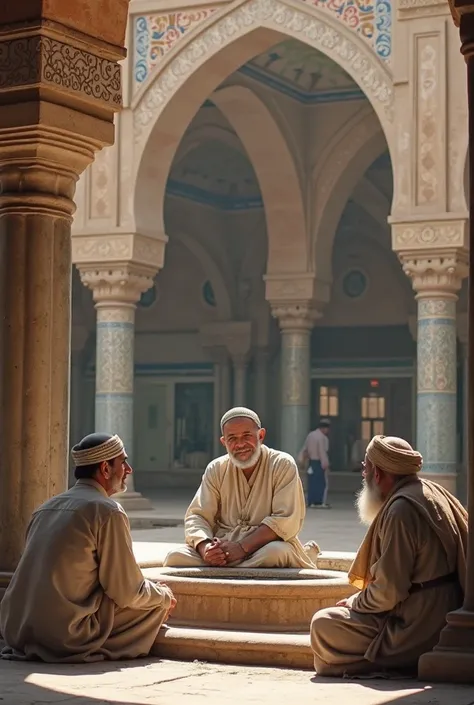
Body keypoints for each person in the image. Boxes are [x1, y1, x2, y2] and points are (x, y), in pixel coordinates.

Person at [0, 433, 176, 663]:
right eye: (123, 462)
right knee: (153, 606)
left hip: (17, 630)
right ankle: (88, 647)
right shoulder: (107, 510)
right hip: (65, 635)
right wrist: (163, 596)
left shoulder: (45, 506)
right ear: (105, 469)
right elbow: (126, 591)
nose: (129, 469)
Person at [310, 435, 468, 677]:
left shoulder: (400, 510)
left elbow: (389, 591)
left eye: (366, 467)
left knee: (324, 624)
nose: (363, 474)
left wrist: (356, 601)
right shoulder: (431, 491)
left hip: (416, 622)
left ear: (378, 474)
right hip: (443, 610)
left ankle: (394, 662)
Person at [164, 407, 319, 569]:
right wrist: (206, 548)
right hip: (224, 547)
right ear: (224, 442)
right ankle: (232, 566)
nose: (240, 444)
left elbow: (284, 519)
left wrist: (242, 548)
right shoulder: (217, 468)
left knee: (274, 553)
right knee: (176, 557)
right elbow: (197, 516)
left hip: (264, 546)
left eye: (247, 436)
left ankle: (302, 555)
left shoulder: (282, 464)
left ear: (260, 436)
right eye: (232, 438)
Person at [299, 419, 331, 508]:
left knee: (312, 482)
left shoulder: (311, 435)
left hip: (311, 462)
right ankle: (319, 502)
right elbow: (322, 452)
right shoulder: (322, 437)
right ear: (325, 428)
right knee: (321, 483)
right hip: (319, 462)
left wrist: (302, 460)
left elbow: (305, 449)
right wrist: (325, 464)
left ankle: (311, 501)